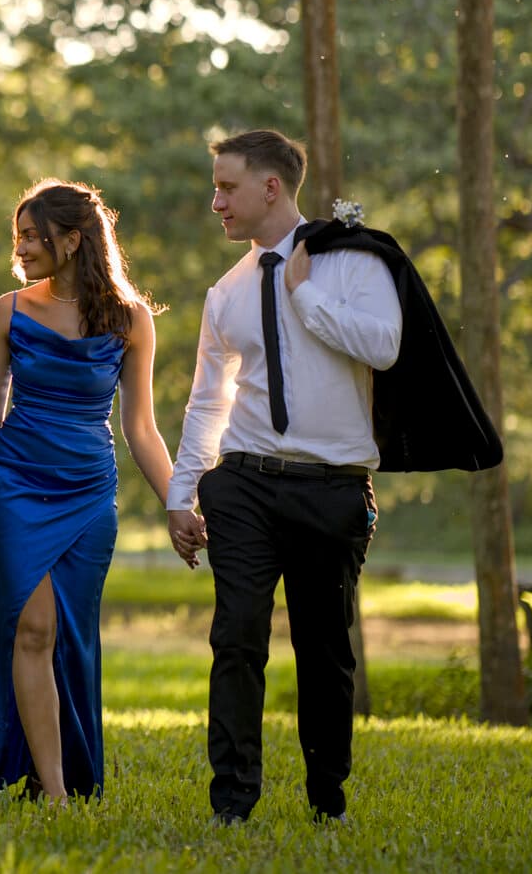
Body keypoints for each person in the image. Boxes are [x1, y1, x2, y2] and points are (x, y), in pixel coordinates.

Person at [166, 129, 402, 826]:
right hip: (242, 483)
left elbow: (385, 347)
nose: (216, 202)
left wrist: (305, 296)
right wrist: (183, 493)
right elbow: (208, 398)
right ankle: (232, 801)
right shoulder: (225, 292)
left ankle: (327, 797)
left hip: (331, 487)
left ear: (272, 187)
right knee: (236, 637)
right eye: (214, 187)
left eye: (227, 187)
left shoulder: (355, 262)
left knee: (324, 650)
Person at [0, 180, 174, 802]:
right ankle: (59, 794)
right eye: (18, 237)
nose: (22, 248)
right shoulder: (7, 311)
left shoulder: (130, 320)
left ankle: (47, 777)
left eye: (34, 236)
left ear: (74, 239)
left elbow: (141, 427)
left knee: (69, 635)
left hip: (90, 496)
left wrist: (179, 503)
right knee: (32, 629)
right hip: (14, 486)